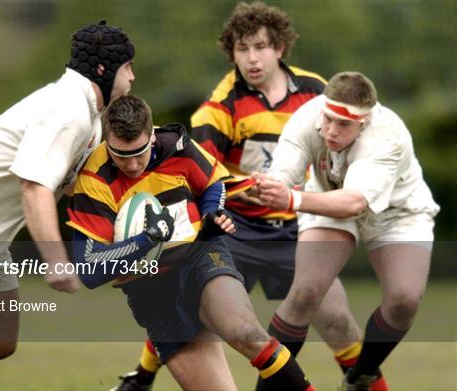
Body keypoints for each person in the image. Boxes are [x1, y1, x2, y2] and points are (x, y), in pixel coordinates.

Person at [113, 3, 387, 390]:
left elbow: (340, 144)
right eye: (242, 49)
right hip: (238, 231)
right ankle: (141, 377)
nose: (252, 58)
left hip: (296, 231)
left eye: (260, 47)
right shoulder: (219, 107)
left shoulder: (316, 93)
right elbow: (201, 178)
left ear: (279, 48)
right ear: (232, 52)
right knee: (189, 303)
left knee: (339, 320)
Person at [0, 20, 135, 381]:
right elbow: (33, 187)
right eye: (128, 67)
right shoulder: (68, 110)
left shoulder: (91, 120)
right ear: (103, 69)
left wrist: (114, 254)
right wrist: (55, 261)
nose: (132, 77)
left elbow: (78, 196)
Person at [67, 94, 315, 390]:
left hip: (200, 257)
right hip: (151, 292)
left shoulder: (178, 147)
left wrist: (212, 214)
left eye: (140, 152)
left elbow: (212, 183)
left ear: (152, 136)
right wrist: (146, 240)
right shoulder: (94, 180)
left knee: (248, 333)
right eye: (121, 155)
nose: (132, 165)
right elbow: (90, 271)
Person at [252, 71, 439, 390]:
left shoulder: (386, 135)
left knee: (404, 300)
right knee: (305, 292)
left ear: (363, 123)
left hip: (397, 213)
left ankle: (360, 377)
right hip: (327, 201)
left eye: (343, 125)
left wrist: (292, 198)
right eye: (328, 119)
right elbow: (284, 173)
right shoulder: (308, 116)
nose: (330, 130)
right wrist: (268, 186)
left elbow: (354, 202)